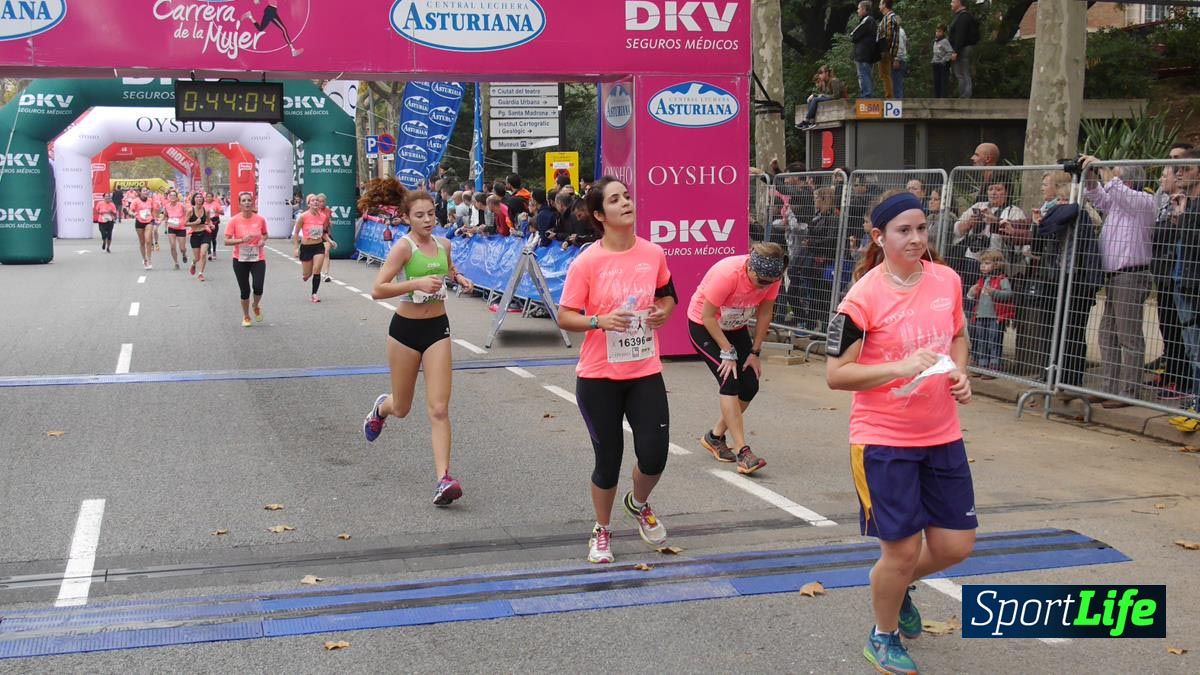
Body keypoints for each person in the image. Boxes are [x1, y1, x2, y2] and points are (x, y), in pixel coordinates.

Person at [825, 190, 975, 675]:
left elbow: (957, 335)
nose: (915, 238)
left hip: (942, 434)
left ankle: (901, 583)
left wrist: (960, 372)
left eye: (921, 228)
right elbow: (837, 374)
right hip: (883, 439)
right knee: (902, 549)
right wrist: (901, 366)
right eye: (903, 230)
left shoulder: (947, 280)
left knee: (956, 545)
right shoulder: (861, 297)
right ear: (879, 236)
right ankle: (882, 635)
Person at [557, 177, 678, 564]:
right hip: (598, 378)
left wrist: (663, 313)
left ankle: (638, 502)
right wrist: (599, 321)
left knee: (655, 454)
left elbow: (668, 295)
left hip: (644, 370)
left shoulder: (652, 253)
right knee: (608, 461)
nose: (626, 202)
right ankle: (602, 530)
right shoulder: (587, 262)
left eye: (626, 196)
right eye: (615, 199)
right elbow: (564, 316)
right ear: (599, 214)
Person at [361, 191, 476, 506]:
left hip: (437, 329)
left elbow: (448, 269)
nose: (427, 220)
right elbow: (377, 289)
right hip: (405, 331)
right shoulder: (403, 248)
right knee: (402, 407)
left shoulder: (444, 245)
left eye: (430, 214)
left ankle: (443, 479)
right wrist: (415, 284)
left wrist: (460, 277)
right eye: (420, 215)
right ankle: (381, 409)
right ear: (406, 218)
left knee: (439, 408)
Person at [689, 243, 784, 473]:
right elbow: (708, 316)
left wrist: (755, 352)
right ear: (750, 267)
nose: (764, 286)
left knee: (750, 385)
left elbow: (764, 312)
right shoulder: (728, 274)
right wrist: (726, 350)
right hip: (705, 325)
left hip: (735, 326)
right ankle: (743, 452)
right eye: (760, 281)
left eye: (769, 282)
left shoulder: (772, 277)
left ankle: (714, 436)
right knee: (729, 380)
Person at [1081, 155, 1156, 408]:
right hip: (1114, 276)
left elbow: (1116, 191)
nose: (1114, 180)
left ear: (1130, 180)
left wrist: (1104, 168)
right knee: (1107, 334)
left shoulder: (1144, 201)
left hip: (1131, 275)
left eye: (1119, 176)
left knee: (1129, 336)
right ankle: (1109, 388)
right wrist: (1091, 175)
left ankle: (1129, 392)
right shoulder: (1118, 203)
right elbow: (1097, 195)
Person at [224, 192, 269, 327]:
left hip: (258, 258)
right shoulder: (234, 220)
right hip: (240, 259)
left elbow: (265, 235)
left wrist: (262, 240)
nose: (247, 203)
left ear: (252, 203)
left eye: (249, 200)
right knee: (245, 290)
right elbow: (226, 241)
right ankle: (246, 315)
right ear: (239, 204)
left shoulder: (260, 219)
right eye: (244, 200)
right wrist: (241, 240)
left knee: (258, 286)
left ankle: (255, 305)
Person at [966, 249, 1013, 378]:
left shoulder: (1002, 279)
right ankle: (982, 365)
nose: (983, 266)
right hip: (980, 316)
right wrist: (971, 293)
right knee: (981, 340)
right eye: (982, 263)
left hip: (994, 317)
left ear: (996, 265)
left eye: (987, 263)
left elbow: (1009, 294)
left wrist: (994, 292)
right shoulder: (981, 280)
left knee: (993, 341)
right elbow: (972, 297)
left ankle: (993, 366)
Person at [292, 194, 331, 303]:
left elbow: (324, 232)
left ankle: (314, 294)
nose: (315, 202)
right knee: (307, 274)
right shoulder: (303, 216)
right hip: (306, 247)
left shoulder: (323, 217)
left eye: (317, 200)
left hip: (318, 246)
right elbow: (295, 233)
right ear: (308, 204)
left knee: (316, 270)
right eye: (312, 200)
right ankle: (306, 275)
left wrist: (330, 241)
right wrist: (296, 248)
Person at [799, 65, 848, 129]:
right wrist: (814, 95)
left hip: (840, 101)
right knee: (812, 99)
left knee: (815, 100)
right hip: (832, 100)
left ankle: (807, 120)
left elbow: (836, 96)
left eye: (821, 73)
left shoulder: (833, 80)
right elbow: (823, 94)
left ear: (827, 73)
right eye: (819, 74)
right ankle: (811, 122)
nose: (819, 76)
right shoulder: (824, 82)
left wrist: (822, 96)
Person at [948, 0, 979, 98]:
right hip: (961, 48)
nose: (951, 4)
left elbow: (960, 35)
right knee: (959, 73)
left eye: (953, 2)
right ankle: (963, 94)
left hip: (963, 49)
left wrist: (956, 51)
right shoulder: (960, 16)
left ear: (959, 2)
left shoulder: (963, 17)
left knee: (963, 72)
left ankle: (966, 95)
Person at [850, 1, 878, 98]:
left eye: (859, 8)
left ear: (864, 9)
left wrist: (854, 36)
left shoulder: (868, 20)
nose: (857, 11)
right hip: (865, 55)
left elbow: (854, 34)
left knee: (864, 76)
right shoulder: (867, 20)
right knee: (863, 76)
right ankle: (866, 96)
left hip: (864, 55)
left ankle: (866, 97)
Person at [127, 188, 158, 270]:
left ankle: (149, 259)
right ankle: (144, 259)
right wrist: (133, 213)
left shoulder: (150, 200)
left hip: (149, 221)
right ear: (140, 192)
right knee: (142, 242)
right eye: (144, 191)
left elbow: (153, 210)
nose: (146, 192)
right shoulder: (135, 201)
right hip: (139, 222)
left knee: (148, 240)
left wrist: (155, 218)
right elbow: (130, 210)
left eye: (147, 191)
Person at [185, 191, 212, 281]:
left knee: (203, 253)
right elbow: (185, 223)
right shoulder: (190, 211)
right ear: (194, 199)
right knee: (197, 258)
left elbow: (208, 221)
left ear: (203, 199)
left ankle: (200, 273)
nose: (199, 198)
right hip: (195, 235)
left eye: (200, 197)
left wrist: (211, 225)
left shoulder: (206, 210)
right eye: (197, 197)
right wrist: (194, 223)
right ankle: (193, 263)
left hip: (205, 233)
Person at [877, 0, 901, 99]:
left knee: (885, 74)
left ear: (884, 5)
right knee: (885, 74)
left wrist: (884, 50)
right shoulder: (890, 17)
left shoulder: (889, 17)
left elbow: (889, 35)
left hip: (885, 51)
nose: (879, 6)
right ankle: (889, 96)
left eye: (880, 4)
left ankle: (889, 97)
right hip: (887, 51)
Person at [161, 189, 189, 270]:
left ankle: (184, 254)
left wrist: (186, 221)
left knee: (182, 248)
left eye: (174, 195)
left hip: (181, 228)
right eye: (171, 195)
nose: (172, 197)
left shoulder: (181, 205)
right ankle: (176, 263)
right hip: (171, 227)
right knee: (172, 246)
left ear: (177, 197)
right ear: (169, 197)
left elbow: (188, 213)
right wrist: (163, 220)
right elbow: (165, 215)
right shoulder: (166, 206)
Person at [316, 193, 337, 283]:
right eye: (319, 201)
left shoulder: (328, 211)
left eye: (323, 201)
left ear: (325, 202)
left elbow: (328, 221)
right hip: (316, 235)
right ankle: (316, 271)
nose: (321, 203)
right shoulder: (315, 211)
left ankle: (326, 274)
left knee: (326, 252)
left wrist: (331, 224)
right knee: (317, 256)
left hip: (326, 234)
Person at [931, 24, 953, 98]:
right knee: (936, 82)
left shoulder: (945, 41)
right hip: (935, 63)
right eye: (936, 31)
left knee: (943, 82)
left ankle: (943, 98)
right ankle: (937, 97)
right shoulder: (936, 41)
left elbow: (950, 52)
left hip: (942, 64)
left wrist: (943, 60)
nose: (937, 33)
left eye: (939, 31)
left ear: (943, 32)